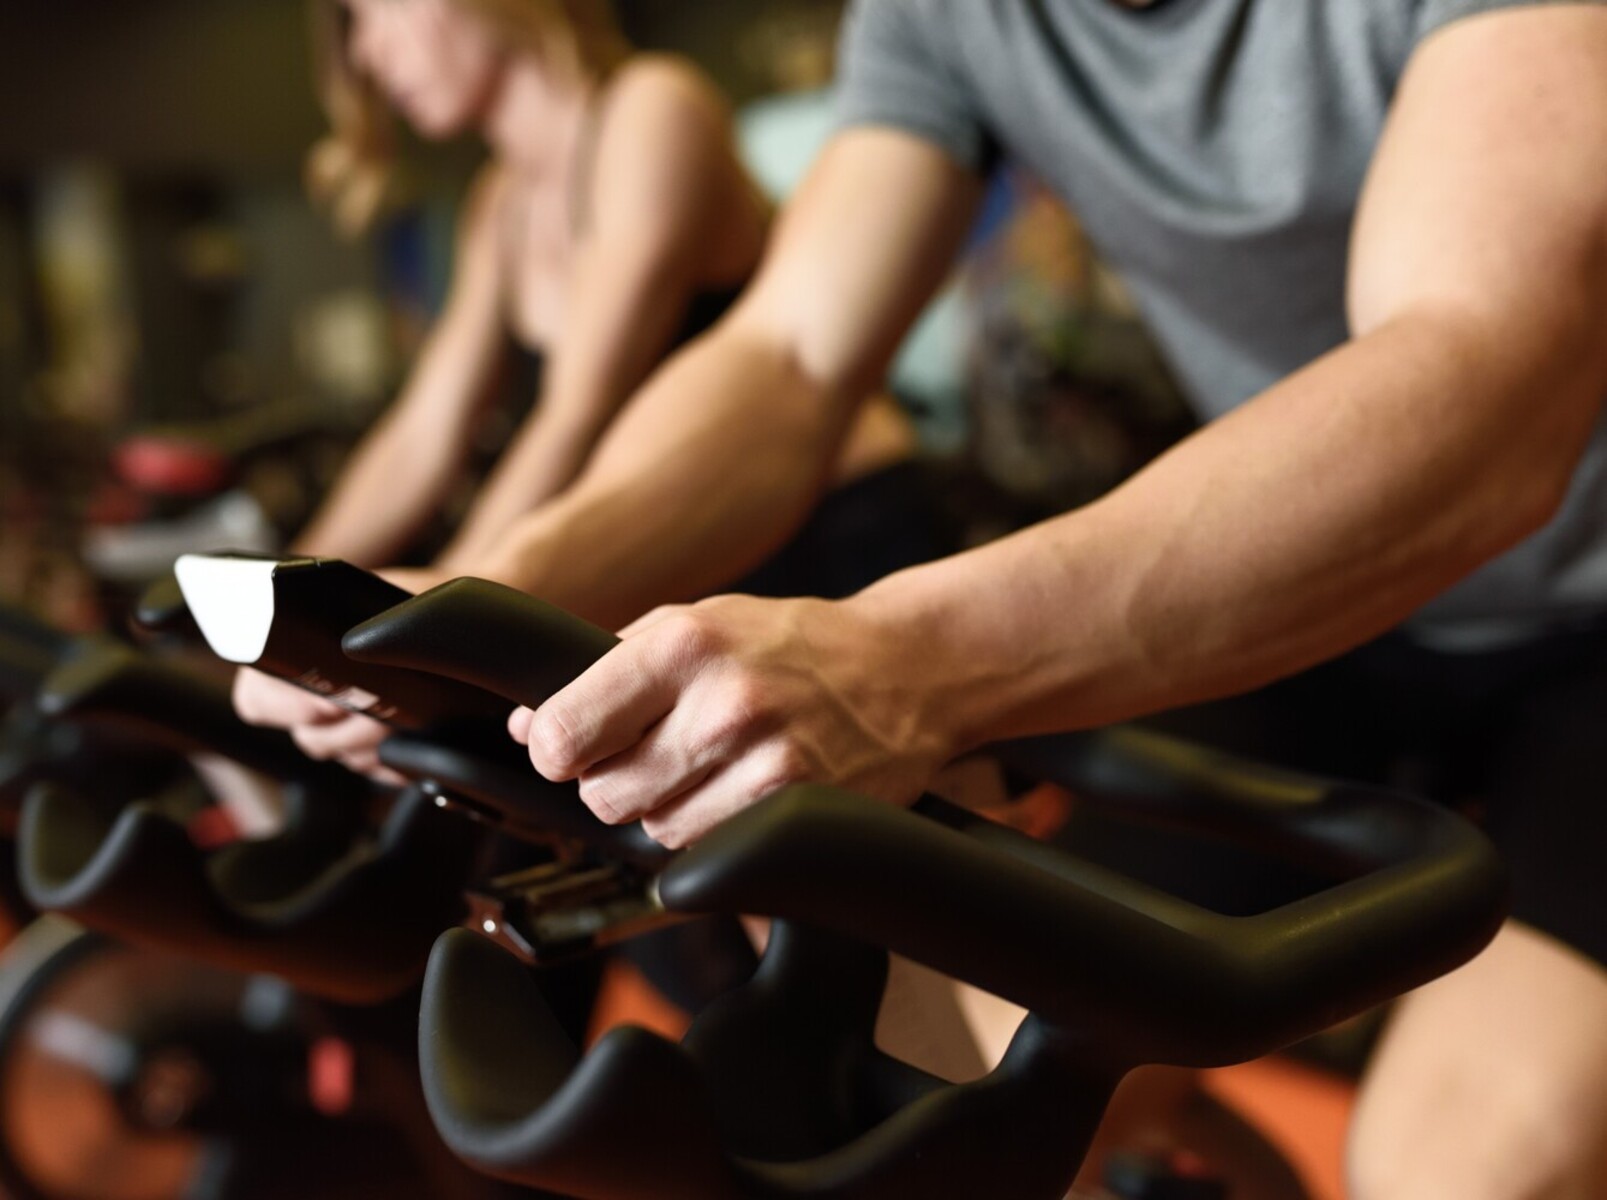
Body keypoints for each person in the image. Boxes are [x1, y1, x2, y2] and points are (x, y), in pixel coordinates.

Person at [463, 2, 1604, 1197]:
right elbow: (789, 355)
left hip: (1583, 618)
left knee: (1455, 1173)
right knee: (943, 1101)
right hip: (1313, 610)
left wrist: (904, 656)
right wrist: (488, 592)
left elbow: (1488, 375)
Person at [232, 0, 929, 779]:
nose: (365, 54)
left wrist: (430, 627)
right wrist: (270, 600)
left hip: (834, 536)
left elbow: (576, 412)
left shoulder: (649, 108)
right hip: (677, 544)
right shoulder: (500, 202)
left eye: (375, 11)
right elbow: (420, 434)